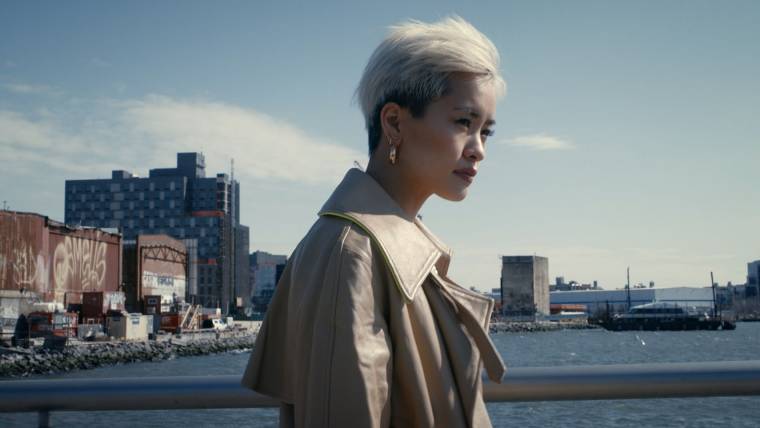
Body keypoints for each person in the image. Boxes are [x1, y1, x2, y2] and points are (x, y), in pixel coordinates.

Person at [242, 16, 507, 428]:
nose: (478, 150)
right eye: (463, 122)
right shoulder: (350, 253)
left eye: (485, 131)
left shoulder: (386, 245)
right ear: (395, 123)